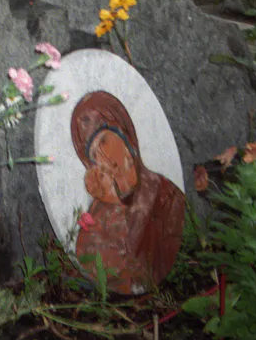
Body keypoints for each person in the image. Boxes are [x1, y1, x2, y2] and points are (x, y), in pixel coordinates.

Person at [71, 91, 185, 295]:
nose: (105, 158)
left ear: (129, 141)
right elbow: (91, 263)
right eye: (95, 155)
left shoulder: (167, 196)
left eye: (106, 141)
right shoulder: (97, 214)